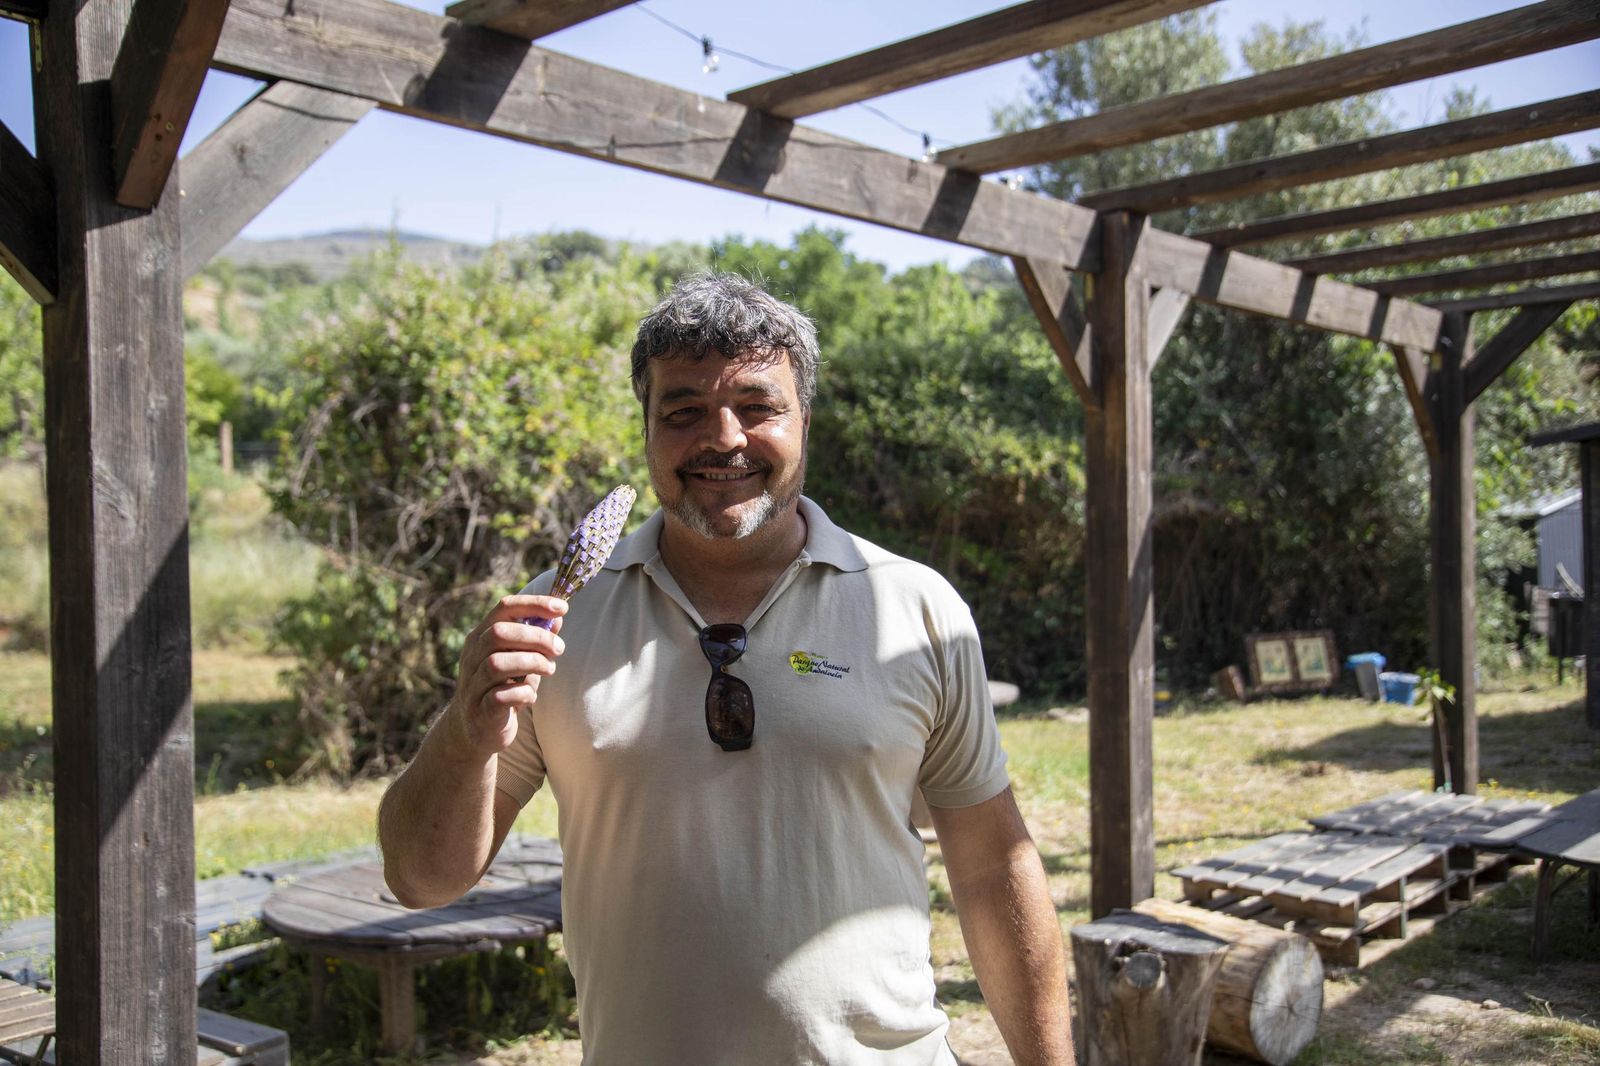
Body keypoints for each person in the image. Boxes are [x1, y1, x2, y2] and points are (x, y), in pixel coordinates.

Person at [378, 273, 1074, 1065]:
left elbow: (991, 872)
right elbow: (421, 881)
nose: (725, 438)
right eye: (684, 412)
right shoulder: (554, 622)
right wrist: (465, 739)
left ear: (804, 421)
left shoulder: (913, 607)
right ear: (646, 430)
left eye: (757, 405)